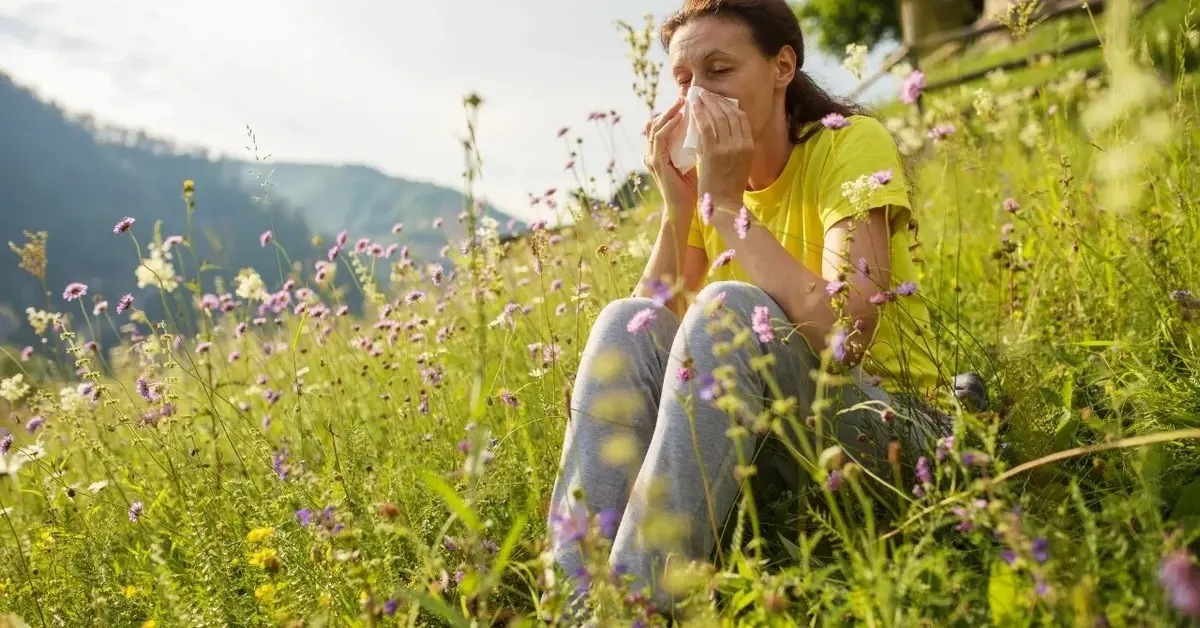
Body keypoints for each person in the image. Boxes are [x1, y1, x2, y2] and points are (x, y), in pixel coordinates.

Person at [546, 0, 949, 616]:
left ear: (782, 66)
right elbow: (646, 336)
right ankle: (575, 605)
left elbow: (846, 335)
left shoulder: (848, 144)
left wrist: (727, 209)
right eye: (684, 80)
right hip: (771, 443)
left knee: (728, 307)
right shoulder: (711, 188)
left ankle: (630, 613)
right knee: (621, 321)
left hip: (890, 431)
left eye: (719, 70)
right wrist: (681, 208)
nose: (697, 96)